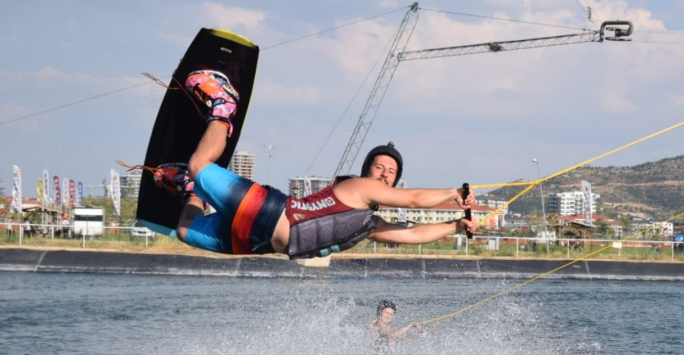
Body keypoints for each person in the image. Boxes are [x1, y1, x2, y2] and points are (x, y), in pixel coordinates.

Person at [133, 70, 477, 259]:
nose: (385, 172)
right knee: (198, 163)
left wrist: (456, 227)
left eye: (391, 171)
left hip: (262, 243)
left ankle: (191, 192)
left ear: (397, 179)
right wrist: (455, 194)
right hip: (267, 212)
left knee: (184, 230)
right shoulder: (360, 188)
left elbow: (414, 233)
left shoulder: (368, 223)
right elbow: (416, 200)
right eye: (380, 167)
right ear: (368, 171)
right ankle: (224, 105)